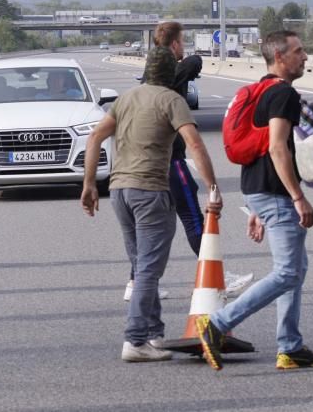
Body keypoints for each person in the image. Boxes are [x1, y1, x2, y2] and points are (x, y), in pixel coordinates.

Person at [81, 46, 223, 363]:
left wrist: (89, 184)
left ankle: (153, 334)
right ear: (172, 73)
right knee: (148, 269)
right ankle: (134, 340)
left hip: (119, 191)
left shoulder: (126, 98)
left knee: (142, 263)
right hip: (150, 190)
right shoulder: (172, 100)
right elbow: (195, 144)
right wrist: (213, 187)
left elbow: (94, 138)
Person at [195, 31, 313, 371]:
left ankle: (291, 346)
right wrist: (298, 197)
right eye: (299, 51)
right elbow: (277, 147)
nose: (306, 57)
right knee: (286, 272)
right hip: (275, 193)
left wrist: (256, 208)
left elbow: (259, 148)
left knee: (297, 268)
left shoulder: (261, 91)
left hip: (258, 189)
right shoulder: (282, 93)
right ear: (279, 57)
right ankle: (217, 324)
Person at [122, 24, 252, 303]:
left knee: (148, 227)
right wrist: (213, 185)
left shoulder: (144, 84)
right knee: (192, 217)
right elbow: (195, 63)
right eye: (182, 42)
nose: (186, 48)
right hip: (173, 161)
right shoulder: (167, 82)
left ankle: (137, 280)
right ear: (173, 46)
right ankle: (216, 276)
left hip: (145, 166)